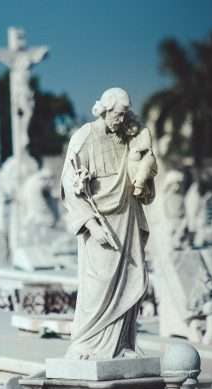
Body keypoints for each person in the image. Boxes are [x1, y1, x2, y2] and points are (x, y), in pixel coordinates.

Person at [60, 87, 156, 360]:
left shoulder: (126, 137)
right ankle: (86, 343)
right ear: (104, 109)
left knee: (130, 279)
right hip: (101, 222)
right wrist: (91, 224)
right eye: (117, 114)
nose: (121, 119)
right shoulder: (84, 136)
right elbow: (69, 183)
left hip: (126, 216)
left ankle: (122, 345)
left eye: (125, 115)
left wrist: (144, 174)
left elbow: (140, 166)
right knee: (98, 284)